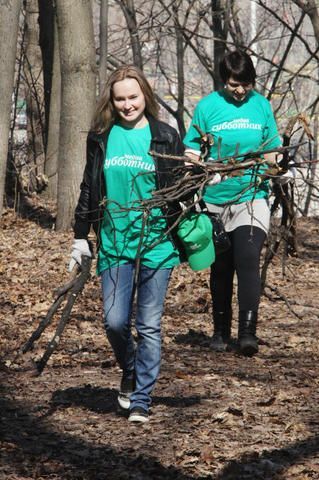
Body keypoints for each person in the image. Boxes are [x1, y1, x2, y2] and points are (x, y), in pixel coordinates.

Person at [69, 65, 186, 423]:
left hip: (157, 243)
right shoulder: (102, 137)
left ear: (145, 97)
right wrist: (80, 235)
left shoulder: (165, 135)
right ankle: (131, 369)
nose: (127, 104)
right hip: (114, 241)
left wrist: (195, 176)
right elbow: (90, 186)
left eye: (133, 97)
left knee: (148, 325)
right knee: (114, 322)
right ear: (112, 101)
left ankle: (142, 400)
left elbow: (180, 185)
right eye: (120, 98)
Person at [184, 50, 293, 357]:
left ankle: (247, 333)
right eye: (235, 84)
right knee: (220, 266)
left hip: (252, 196)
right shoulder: (208, 107)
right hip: (216, 200)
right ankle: (220, 330)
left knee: (247, 259)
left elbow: (271, 147)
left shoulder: (261, 105)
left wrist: (280, 168)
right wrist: (197, 175)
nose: (241, 90)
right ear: (224, 80)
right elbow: (193, 149)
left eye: (246, 83)